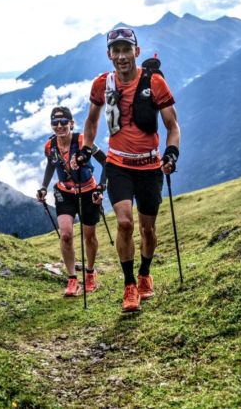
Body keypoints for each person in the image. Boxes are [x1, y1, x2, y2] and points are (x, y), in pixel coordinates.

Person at [77, 26, 180, 312]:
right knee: (124, 223)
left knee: (148, 229)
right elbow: (92, 121)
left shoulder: (155, 83)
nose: (122, 56)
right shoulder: (102, 84)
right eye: (116, 51)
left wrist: (171, 154)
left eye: (126, 50)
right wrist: (86, 147)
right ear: (109, 54)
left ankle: (145, 273)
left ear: (137, 51)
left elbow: (173, 126)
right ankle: (129, 285)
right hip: (118, 165)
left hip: (149, 165)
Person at [36, 106, 107, 297]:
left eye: (63, 122)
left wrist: (101, 187)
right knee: (66, 235)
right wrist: (44, 187)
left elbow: (106, 161)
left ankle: (90, 273)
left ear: (71, 123)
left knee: (89, 236)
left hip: (88, 191)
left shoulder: (84, 141)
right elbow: (51, 165)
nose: (59, 126)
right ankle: (72, 279)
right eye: (55, 122)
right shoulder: (50, 146)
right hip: (64, 193)